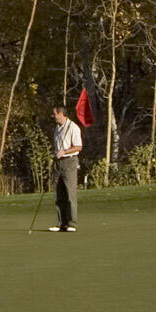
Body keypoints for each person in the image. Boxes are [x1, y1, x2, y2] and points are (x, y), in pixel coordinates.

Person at [49, 100, 85, 233]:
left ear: (61, 114)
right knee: (59, 194)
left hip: (69, 161)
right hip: (58, 162)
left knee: (70, 194)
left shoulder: (73, 127)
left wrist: (64, 151)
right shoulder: (57, 129)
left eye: (55, 114)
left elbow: (78, 146)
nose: (53, 116)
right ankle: (61, 223)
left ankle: (72, 223)